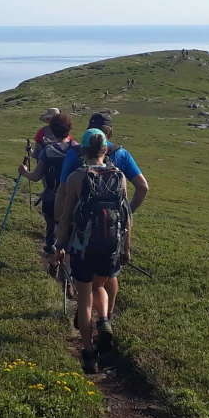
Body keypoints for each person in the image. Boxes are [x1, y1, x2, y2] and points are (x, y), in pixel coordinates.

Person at [56, 127, 147, 373]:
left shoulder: (76, 177)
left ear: (83, 151)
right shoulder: (119, 175)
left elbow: (65, 217)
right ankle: (105, 321)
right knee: (100, 287)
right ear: (105, 149)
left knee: (85, 298)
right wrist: (126, 248)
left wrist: (58, 244)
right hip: (111, 245)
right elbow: (126, 216)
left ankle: (88, 353)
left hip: (82, 248)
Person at [19, 112, 75, 254]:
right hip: (73, 198)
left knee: (52, 227)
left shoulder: (48, 150)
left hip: (52, 197)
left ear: (52, 129)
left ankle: (53, 258)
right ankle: (67, 259)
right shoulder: (77, 149)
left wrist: (24, 171)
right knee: (72, 228)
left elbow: (36, 176)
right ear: (69, 129)